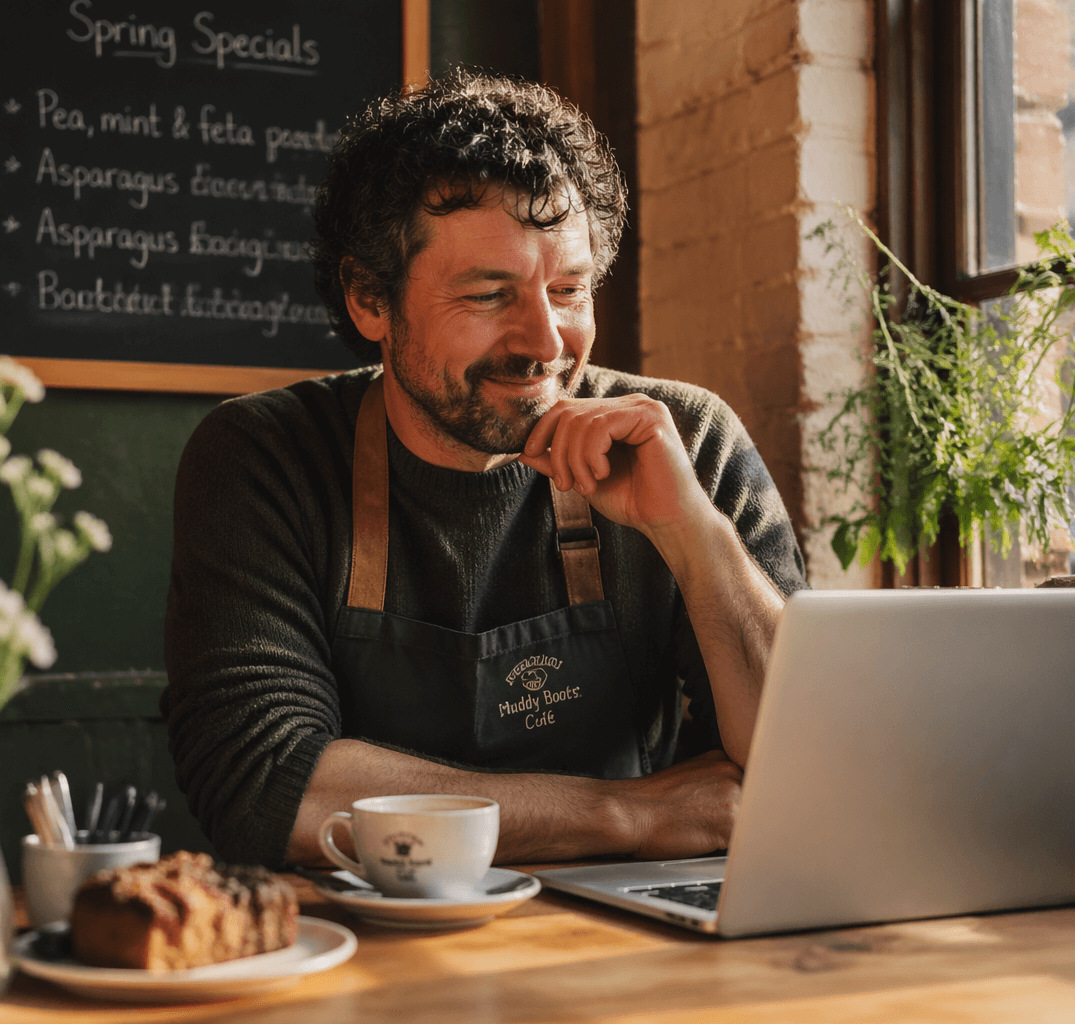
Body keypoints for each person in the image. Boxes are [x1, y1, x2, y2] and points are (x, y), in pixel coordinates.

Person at [163, 71, 806, 869]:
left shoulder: (686, 439)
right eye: (490, 295)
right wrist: (632, 815)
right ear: (370, 299)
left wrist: (694, 536)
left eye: (569, 290)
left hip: (635, 950)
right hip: (367, 949)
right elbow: (269, 791)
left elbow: (802, 771)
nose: (545, 340)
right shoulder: (267, 457)